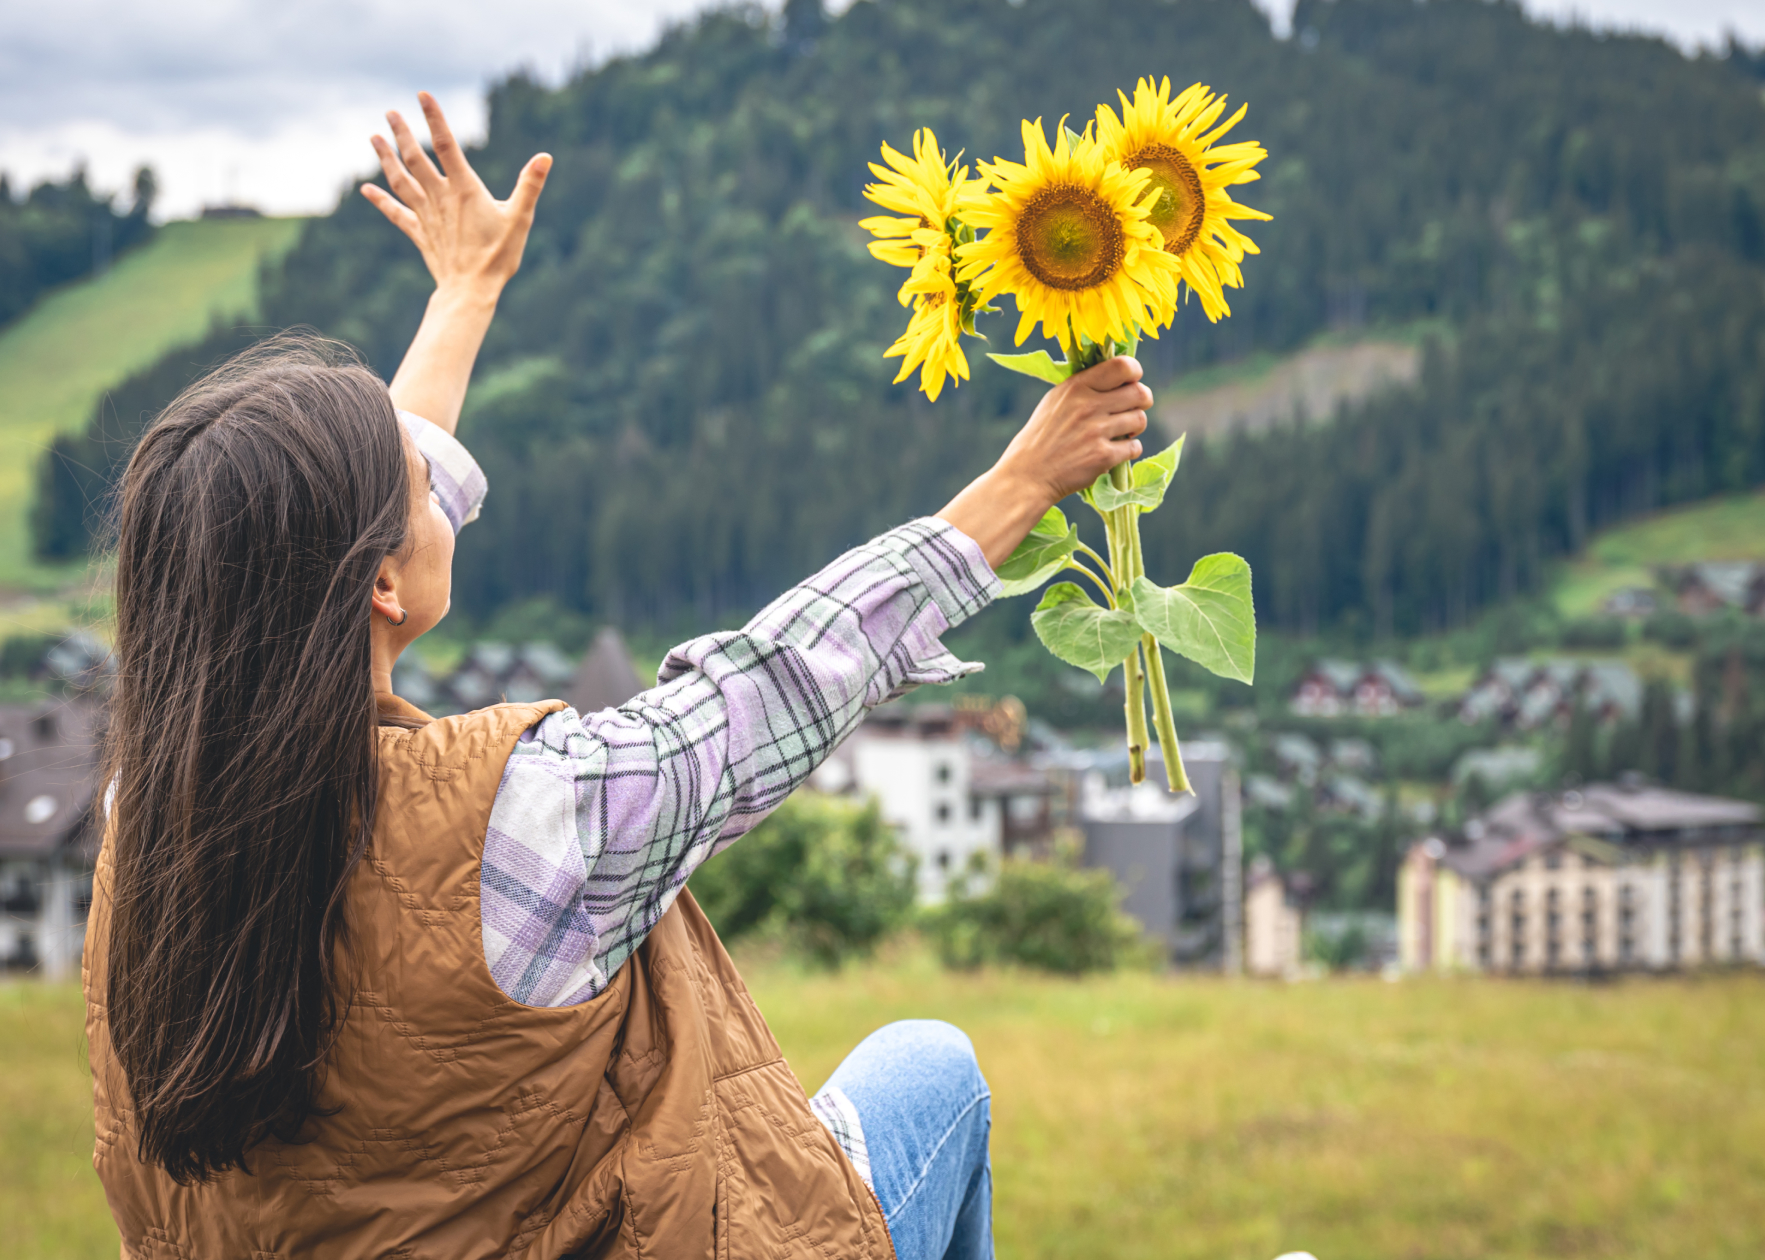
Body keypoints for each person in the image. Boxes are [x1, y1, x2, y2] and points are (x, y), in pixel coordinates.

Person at [84, 94, 1154, 1260]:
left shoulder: (147, 825)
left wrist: (465, 293)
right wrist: (1020, 485)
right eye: (412, 478)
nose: (442, 479)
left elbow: (316, 540)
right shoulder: (531, 820)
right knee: (930, 1071)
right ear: (381, 583)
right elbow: (776, 684)